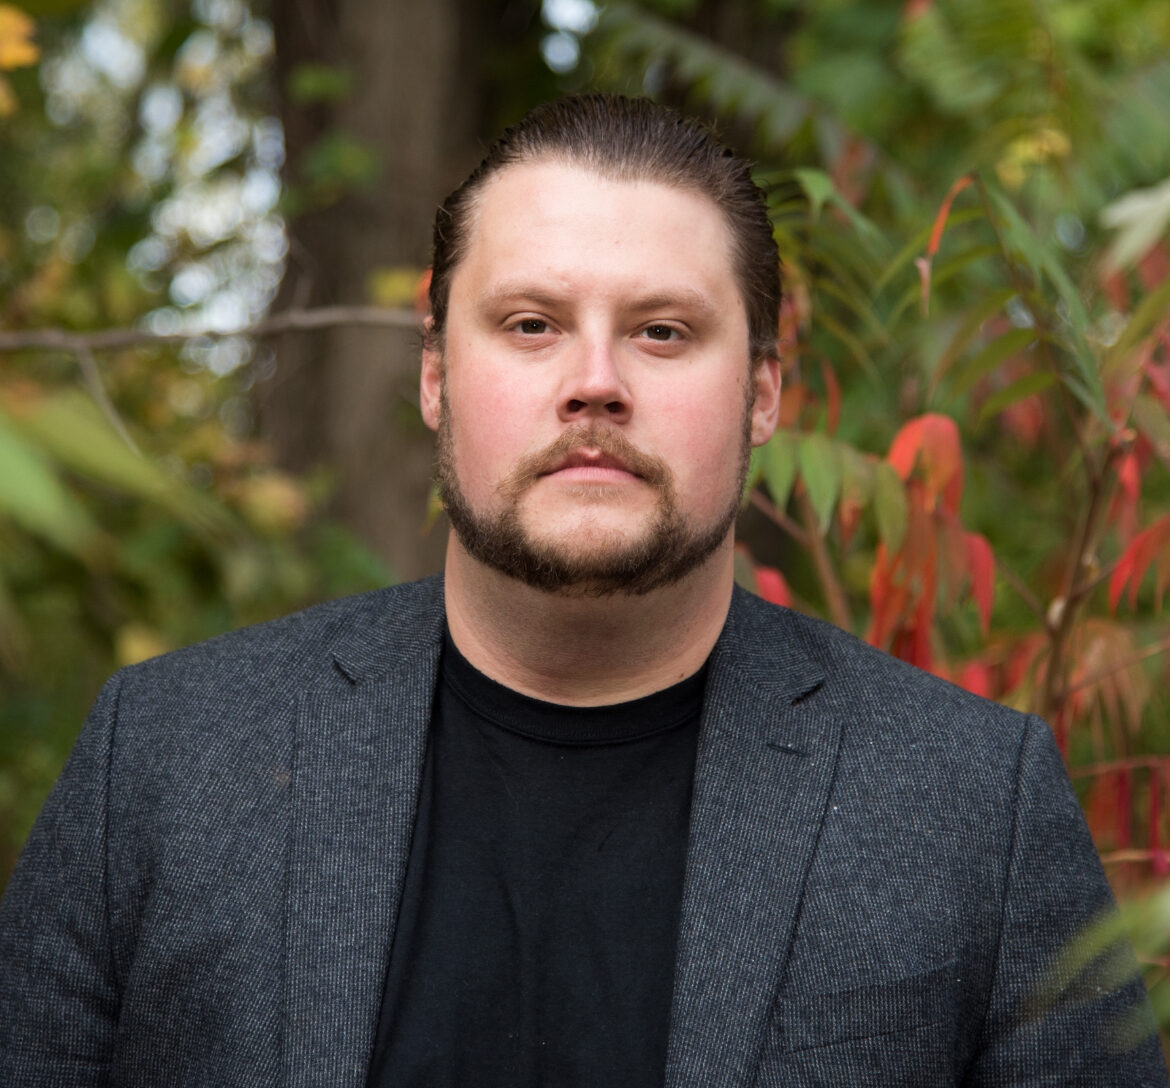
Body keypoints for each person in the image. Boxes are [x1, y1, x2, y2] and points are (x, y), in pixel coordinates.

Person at [0, 94, 1166, 1088]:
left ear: (763, 393)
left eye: (662, 330)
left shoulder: (975, 808)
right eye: (530, 324)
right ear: (435, 375)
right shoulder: (162, 759)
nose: (594, 382)